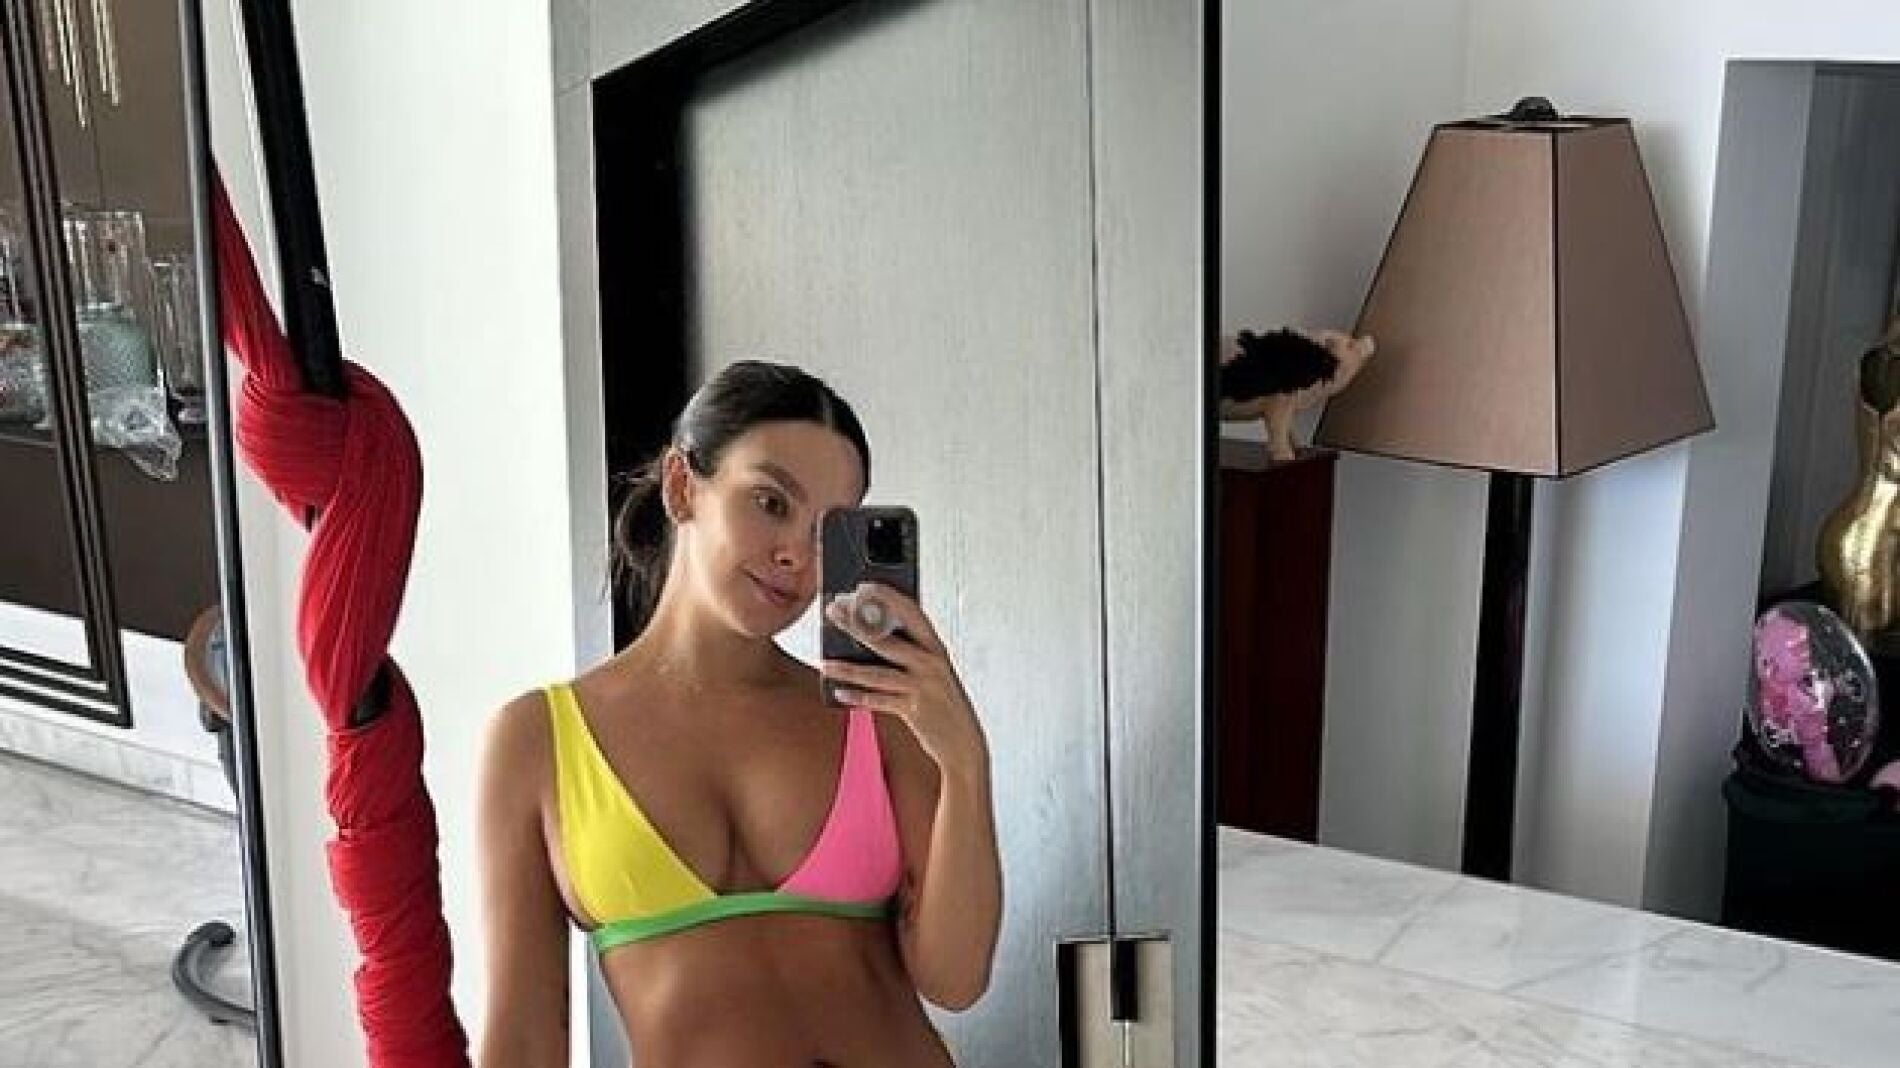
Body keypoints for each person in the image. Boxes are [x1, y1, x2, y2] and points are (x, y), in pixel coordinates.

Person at [476, 360, 1003, 1067]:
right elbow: (524, 1038)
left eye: (825, 532)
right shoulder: (537, 741)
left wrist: (965, 762)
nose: (795, 556)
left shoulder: (876, 713)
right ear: (681, 485)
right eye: (771, 502)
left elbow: (955, 978)